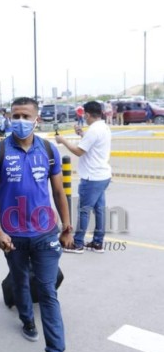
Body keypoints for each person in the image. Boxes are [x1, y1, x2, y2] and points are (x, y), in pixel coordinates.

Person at [0, 97, 73, 352]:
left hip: (45, 234)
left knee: (47, 291)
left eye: (25, 116)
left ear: (37, 119)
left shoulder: (48, 150)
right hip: (13, 236)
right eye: (15, 115)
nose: (19, 121)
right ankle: (26, 320)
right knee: (20, 280)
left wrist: (67, 229)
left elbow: (59, 191)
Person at [55, 101, 112, 254]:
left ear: (87, 114)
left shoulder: (94, 130)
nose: (84, 118)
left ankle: (78, 243)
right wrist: (81, 134)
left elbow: (79, 151)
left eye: (84, 115)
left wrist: (63, 141)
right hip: (102, 175)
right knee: (99, 210)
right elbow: (93, 143)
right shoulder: (103, 127)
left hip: (92, 178)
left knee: (84, 210)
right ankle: (98, 242)